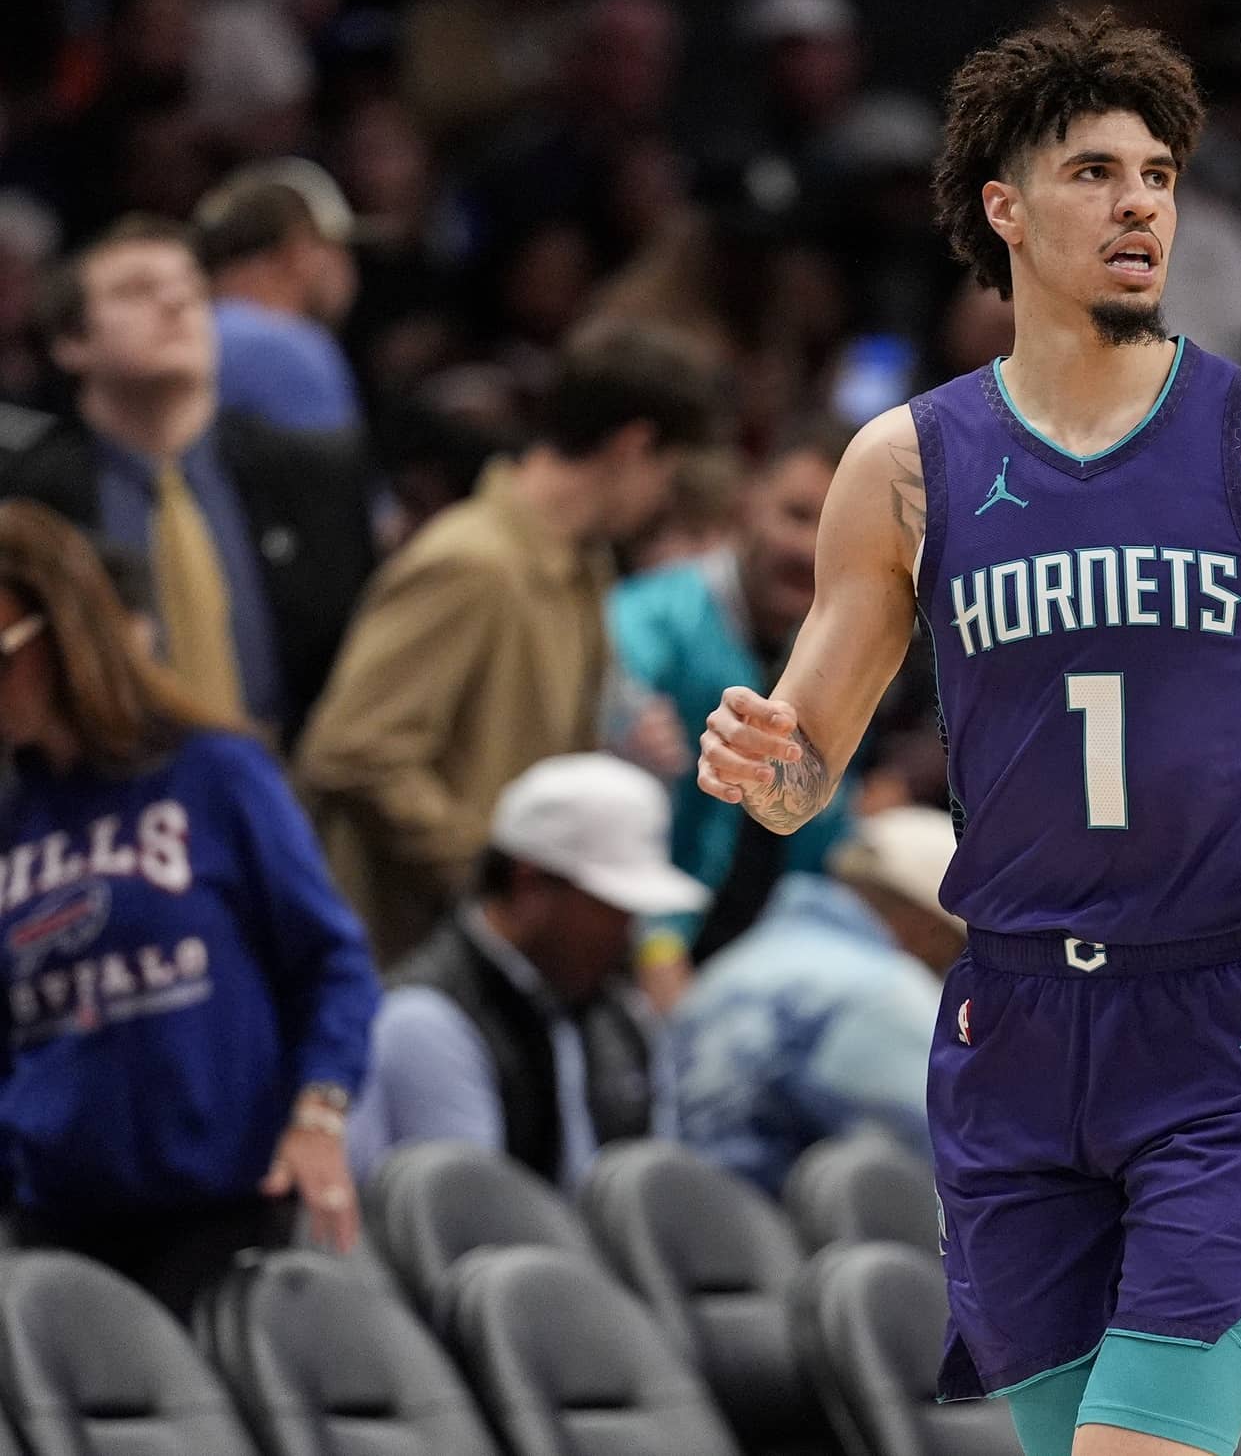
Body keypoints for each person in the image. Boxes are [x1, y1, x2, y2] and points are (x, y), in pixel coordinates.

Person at [695, 11, 1241, 1456]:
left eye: (1157, 175)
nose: (1139, 202)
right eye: (1093, 172)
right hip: (1011, 1019)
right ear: (1004, 209)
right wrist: (765, 766)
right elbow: (806, 749)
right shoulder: (903, 462)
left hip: (1229, 1012)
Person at [0, 499, 379, 1316]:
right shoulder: (10, 816)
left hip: (225, 1211)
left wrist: (318, 1111)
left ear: (68, 631)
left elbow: (333, 963)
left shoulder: (215, 772)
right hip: (55, 1228)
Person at [295, 320, 721, 963]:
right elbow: (353, 749)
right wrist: (498, 877)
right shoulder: (472, 564)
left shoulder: (582, 569)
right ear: (633, 447)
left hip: (482, 958)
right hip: (403, 959)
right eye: (669, 473)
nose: (663, 498)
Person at [0, 214, 374, 747]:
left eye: (193, 290)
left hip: (296, 789)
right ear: (71, 342)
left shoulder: (316, 472)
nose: (176, 304)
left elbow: (359, 653)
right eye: (137, 291)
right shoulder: (26, 505)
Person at [346, 754, 709, 1189]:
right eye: (608, 907)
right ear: (528, 883)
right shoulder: (425, 1021)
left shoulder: (618, 1016)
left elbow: (656, 1193)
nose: (626, 930)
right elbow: (473, 1225)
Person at [608, 417, 855, 975]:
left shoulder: (850, 658)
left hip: (772, 953)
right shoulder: (645, 621)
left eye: (833, 528)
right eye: (795, 515)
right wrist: (655, 947)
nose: (806, 547)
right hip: (633, 946)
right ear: (747, 506)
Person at [674, 806, 963, 1192]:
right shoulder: (882, 990)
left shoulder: (728, 968)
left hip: (694, 1228)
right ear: (928, 928)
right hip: (790, 1238)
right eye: (959, 948)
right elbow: (951, 1152)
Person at [192, 160, 363, 435]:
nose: (349, 270)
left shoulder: (181, 339)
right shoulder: (287, 346)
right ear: (299, 250)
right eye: (340, 248)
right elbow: (332, 476)